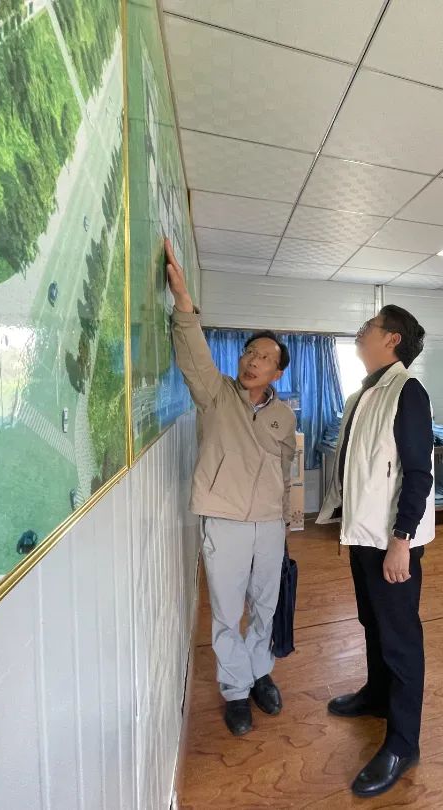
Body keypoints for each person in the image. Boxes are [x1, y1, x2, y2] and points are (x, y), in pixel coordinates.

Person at [165, 239, 297, 737]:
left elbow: (283, 472)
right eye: (248, 352)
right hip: (224, 519)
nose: (251, 361)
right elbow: (194, 355)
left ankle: (260, 672)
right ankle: (236, 690)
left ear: (277, 372)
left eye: (263, 357)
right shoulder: (216, 394)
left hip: (269, 524)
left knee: (265, 605)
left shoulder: (284, 415)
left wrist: (285, 522)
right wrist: (183, 302)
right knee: (227, 611)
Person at [317, 305, 434, 798]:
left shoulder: (408, 391)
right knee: (372, 622)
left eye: (368, 327)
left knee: (400, 639)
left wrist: (401, 540)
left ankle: (404, 743)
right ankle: (377, 694)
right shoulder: (364, 392)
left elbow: (419, 472)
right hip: (363, 535)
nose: (360, 333)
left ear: (392, 339)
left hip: (391, 541)